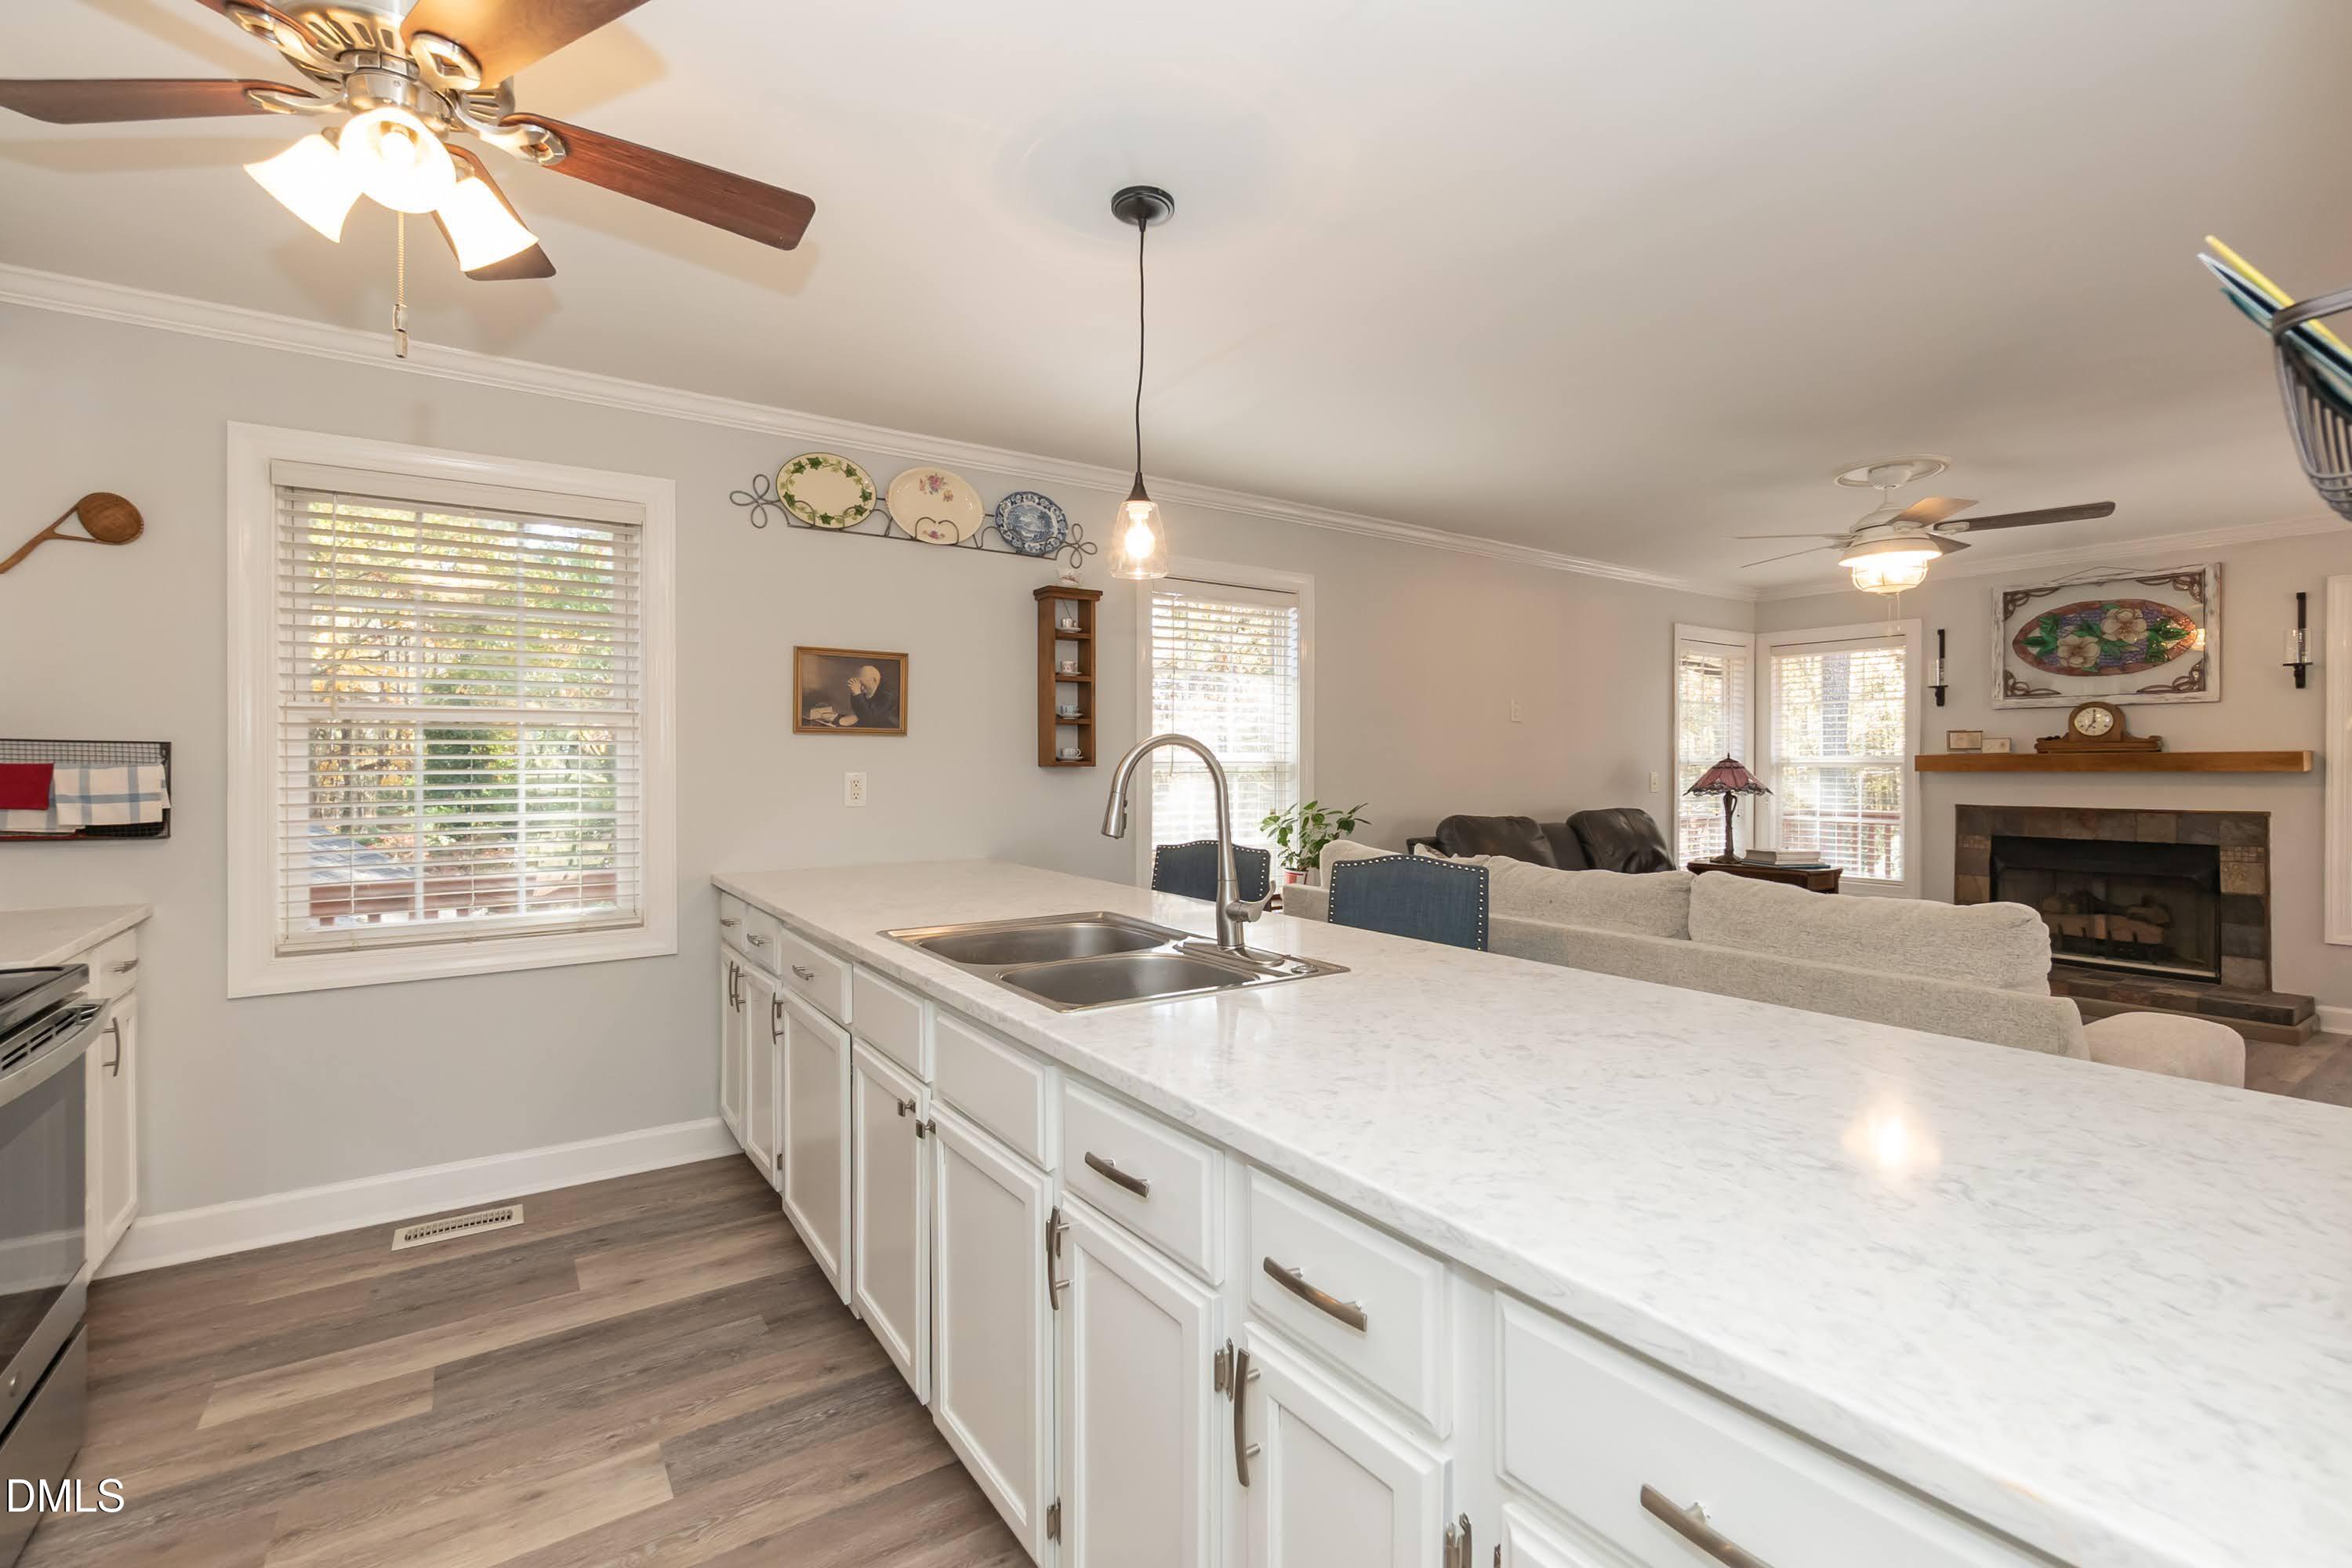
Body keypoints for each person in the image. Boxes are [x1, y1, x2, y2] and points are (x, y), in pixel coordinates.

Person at [842, 663, 898, 729]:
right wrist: (854, 693)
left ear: (874, 680)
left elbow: (870, 719)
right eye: (860, 684)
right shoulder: (869, 686)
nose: (862, 688)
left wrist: (857, 694)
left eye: (864, 684)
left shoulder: (889, 695)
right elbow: (859, 712)